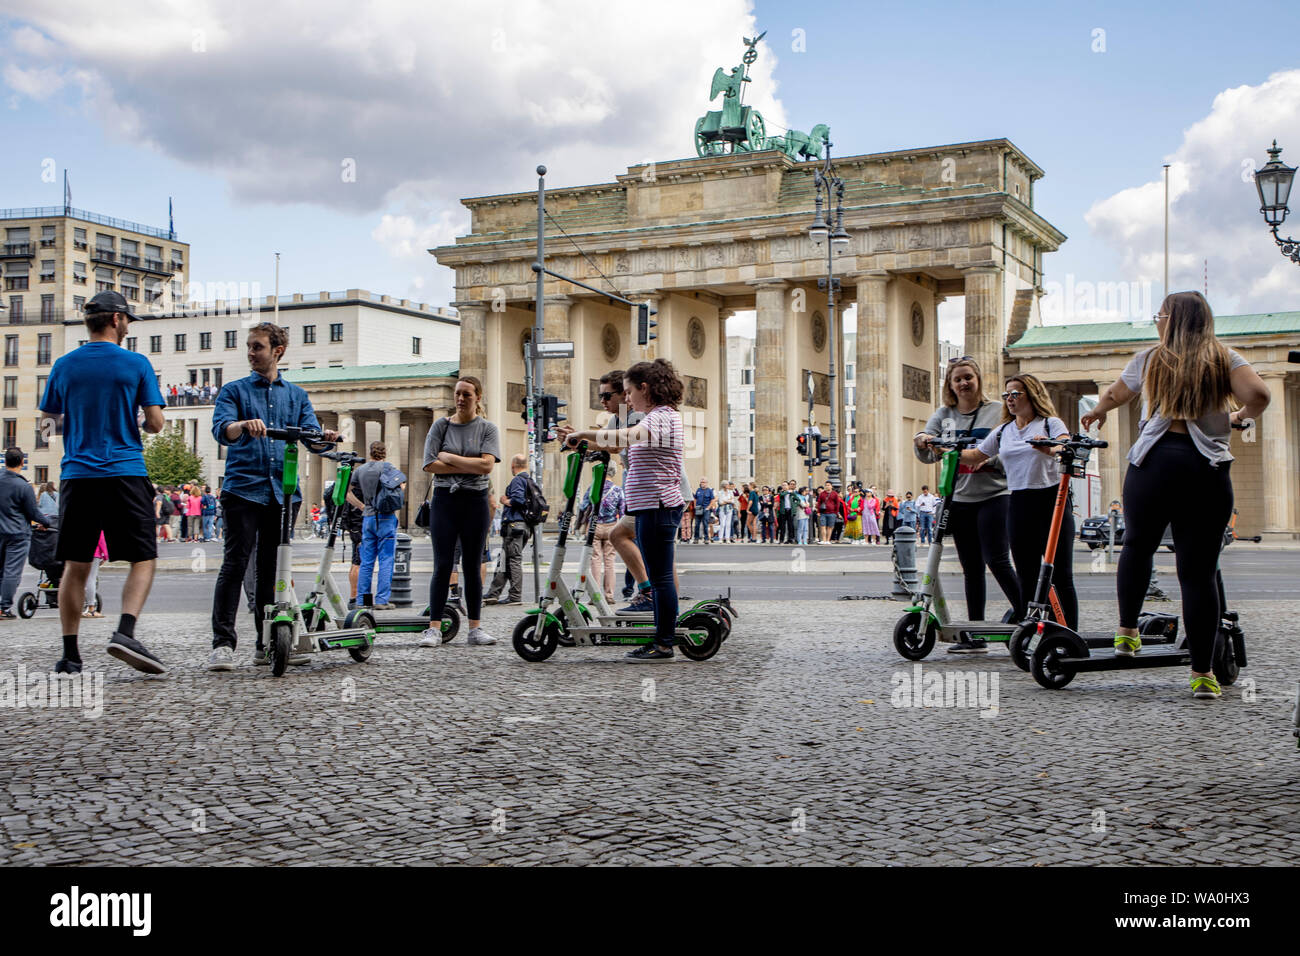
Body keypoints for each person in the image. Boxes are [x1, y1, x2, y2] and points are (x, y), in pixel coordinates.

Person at [1082, 291, 1270, 699]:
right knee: (1198, 573)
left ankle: (1127, 631)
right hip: (1205, 470)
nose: (1156, 322)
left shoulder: (1151, 358)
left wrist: (1098, 411)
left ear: (1170, 320)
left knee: (1137, 545)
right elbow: (1260, 396)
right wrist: (1237, 417)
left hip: (1154, 464)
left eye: (1158, 316)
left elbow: (1116, 394)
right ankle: (1203, 674)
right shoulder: (1225, 358)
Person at [40, 290, 166, 674]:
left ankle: (70, 655)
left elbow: (47, 425)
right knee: (143, 558)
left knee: (75, 565)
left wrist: (79, 423)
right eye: (127, 320)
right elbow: (156, 423)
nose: (127, 326)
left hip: (78, 475)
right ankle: (125, 632)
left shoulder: (64, 365)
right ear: (116, 319)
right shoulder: (136, 364)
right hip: (125, 471)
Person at [208, 321, 337, 671]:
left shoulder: (295, 395)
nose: (251, 352)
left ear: (277, 351)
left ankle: (265, 643)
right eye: (249, 347)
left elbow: (311, 435)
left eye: (258, 347)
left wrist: (326, 437)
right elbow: (222, 430)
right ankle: (222, 643)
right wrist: (242, 425)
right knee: (234, 564)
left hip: (283, 493)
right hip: (243, 489)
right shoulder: (234, 391)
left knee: (270, 570)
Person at [560, 359, 686, 661]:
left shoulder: (661, 417)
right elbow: (619, 444)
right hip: (649, 507)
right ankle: (662, 636)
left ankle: (664, 642)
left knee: (661, 579)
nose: (626, 399)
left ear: (646, 388)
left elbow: (627, 437)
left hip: (658, 506)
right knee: (659, 576)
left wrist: (587, 434)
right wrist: (584, 439)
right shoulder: (654, 418)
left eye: (629, 392)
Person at [914, 357, 1021, 647]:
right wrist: (923, 438)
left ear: (978, 380)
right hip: (959, 497)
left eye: (968, 377)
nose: (963, 383)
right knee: (970, 566)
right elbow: (926, 445)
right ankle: (975, 633)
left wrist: (986, 460)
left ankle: (1027, 614)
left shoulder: (997, 412)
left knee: (997, 559)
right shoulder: (944, 414)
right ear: (950, 384)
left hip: (995, 495)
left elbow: (1012, 448)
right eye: (957, 379)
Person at [961, 372, 1076, 630]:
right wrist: (944, 450)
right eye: (1006, 395)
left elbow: (1063, 444)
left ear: (1032, 396)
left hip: (1051, 501)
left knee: (1060, 575)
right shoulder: (1004, 431)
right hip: (1019, 502)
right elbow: (976, 454)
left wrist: (1050, 448)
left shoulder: (1049, 423)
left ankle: (1069, 634)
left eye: (1015, 394)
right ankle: (1030, 630)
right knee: (1026, 575)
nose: (1010, 400)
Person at [421, 375, 501, 648]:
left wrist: (450, 458)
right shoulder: (440, 426)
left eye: (467, 394)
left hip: (475, 500)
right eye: (458, 393)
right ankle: (433, 627)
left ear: (478, 397)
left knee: (472, 563)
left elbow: (487, 467)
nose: (460, 398)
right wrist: (471, 463)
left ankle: (475, 628)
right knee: (443, 564)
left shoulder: (488, 428)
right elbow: (430, 464)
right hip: (445, 499)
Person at [350, 440, 405, 611]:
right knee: (386, 559)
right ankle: (381, 600)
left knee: (366, 561)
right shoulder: (389, 468)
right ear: (384, 452)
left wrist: (361, 506)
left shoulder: (360, 470)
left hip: (367, 517)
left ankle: (362, 600)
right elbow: (401, 485)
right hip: (386, 517)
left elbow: (346, 492)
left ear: (370, 453)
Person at [0, 448, 51, 618]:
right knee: (11, 571)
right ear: (22, 462)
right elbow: (33, 513)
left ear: (5, 461)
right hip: (17, 534)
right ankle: (4, 607)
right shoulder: (23, 486)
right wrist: (46, 522)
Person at [485, 453, 533, 606]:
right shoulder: (530, 480)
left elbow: (519, 500)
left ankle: (515, 596)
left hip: (515, 525)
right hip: (523, 526)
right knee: (504, 561)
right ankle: (493, 593)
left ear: (513, 466)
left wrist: (505, 500)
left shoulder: (518, 480)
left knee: (513, 561)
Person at [588, 461, 625, 603]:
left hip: (595, 526)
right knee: (610, 561)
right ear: (613, 472)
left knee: (595, 561)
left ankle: (595, 596)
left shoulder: (593, 488)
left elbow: (585, 506)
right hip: (612, 527)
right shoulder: (617, 490)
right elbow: (622, 512)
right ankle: (609, 596)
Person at [83, 532, 107, 618]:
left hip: (77, 553)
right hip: (93, 553)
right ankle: (91, 609)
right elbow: (101, 540)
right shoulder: (96, 521)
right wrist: (105, 555)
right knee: (91, 579)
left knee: (80, 580)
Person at [692, 478, 714, 543]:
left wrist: (708, 507)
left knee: (705, 524)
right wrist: (695, 506)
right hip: (698, 509)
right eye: (701, 482)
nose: (702, 483)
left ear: (707, 483)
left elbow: (712, 500)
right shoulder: (698, 490)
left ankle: (706, 539)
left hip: (706, 509)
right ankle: (696, 538)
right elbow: (695, 499)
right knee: (697, 524)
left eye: (704, 482)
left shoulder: (709, 490)